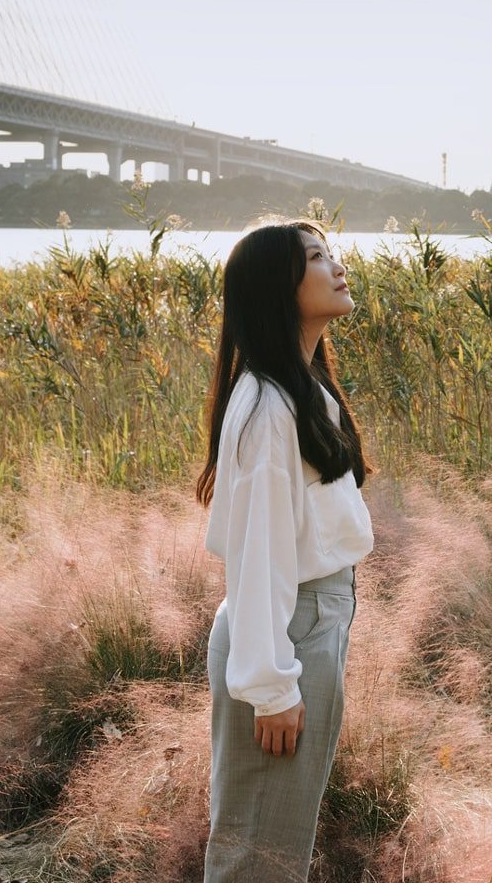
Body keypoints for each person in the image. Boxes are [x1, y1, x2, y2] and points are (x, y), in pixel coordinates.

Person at [198, 220, 375, 881]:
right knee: (258, 859)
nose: (337, 265)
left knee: (270, 848)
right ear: (279, 286)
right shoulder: (271, 406)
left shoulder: (301, 388)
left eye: (330, 251)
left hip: (306, 624)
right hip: (289, 631)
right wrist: (270, 685)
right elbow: (259, 553)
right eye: (316, 257)